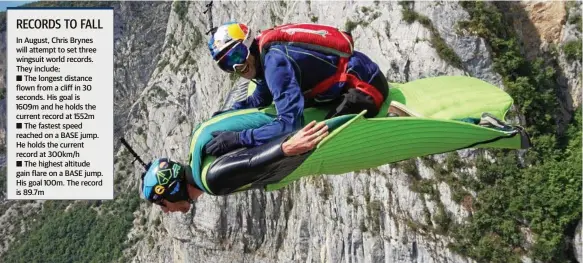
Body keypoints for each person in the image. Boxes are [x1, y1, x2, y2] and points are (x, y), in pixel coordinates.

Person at [204, 22, 390, 157]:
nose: (237, 66)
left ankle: (390, 117)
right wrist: (227, 114)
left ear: (249, 44)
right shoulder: (263, 54)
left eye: (237, 55)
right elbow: (259, 99)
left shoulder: (274, 64)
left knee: (314, 142)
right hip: (354, 79)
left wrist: (239, 138)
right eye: (227, 64)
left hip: (365, 90)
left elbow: (289, 126)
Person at [140, 120, 329, 214]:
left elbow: (252, 162)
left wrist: (286, 148)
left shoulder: (210, 179)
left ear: (173, 191)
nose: (165, 211)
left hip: (307, 141)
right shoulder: (199, 147)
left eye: (162, 203)